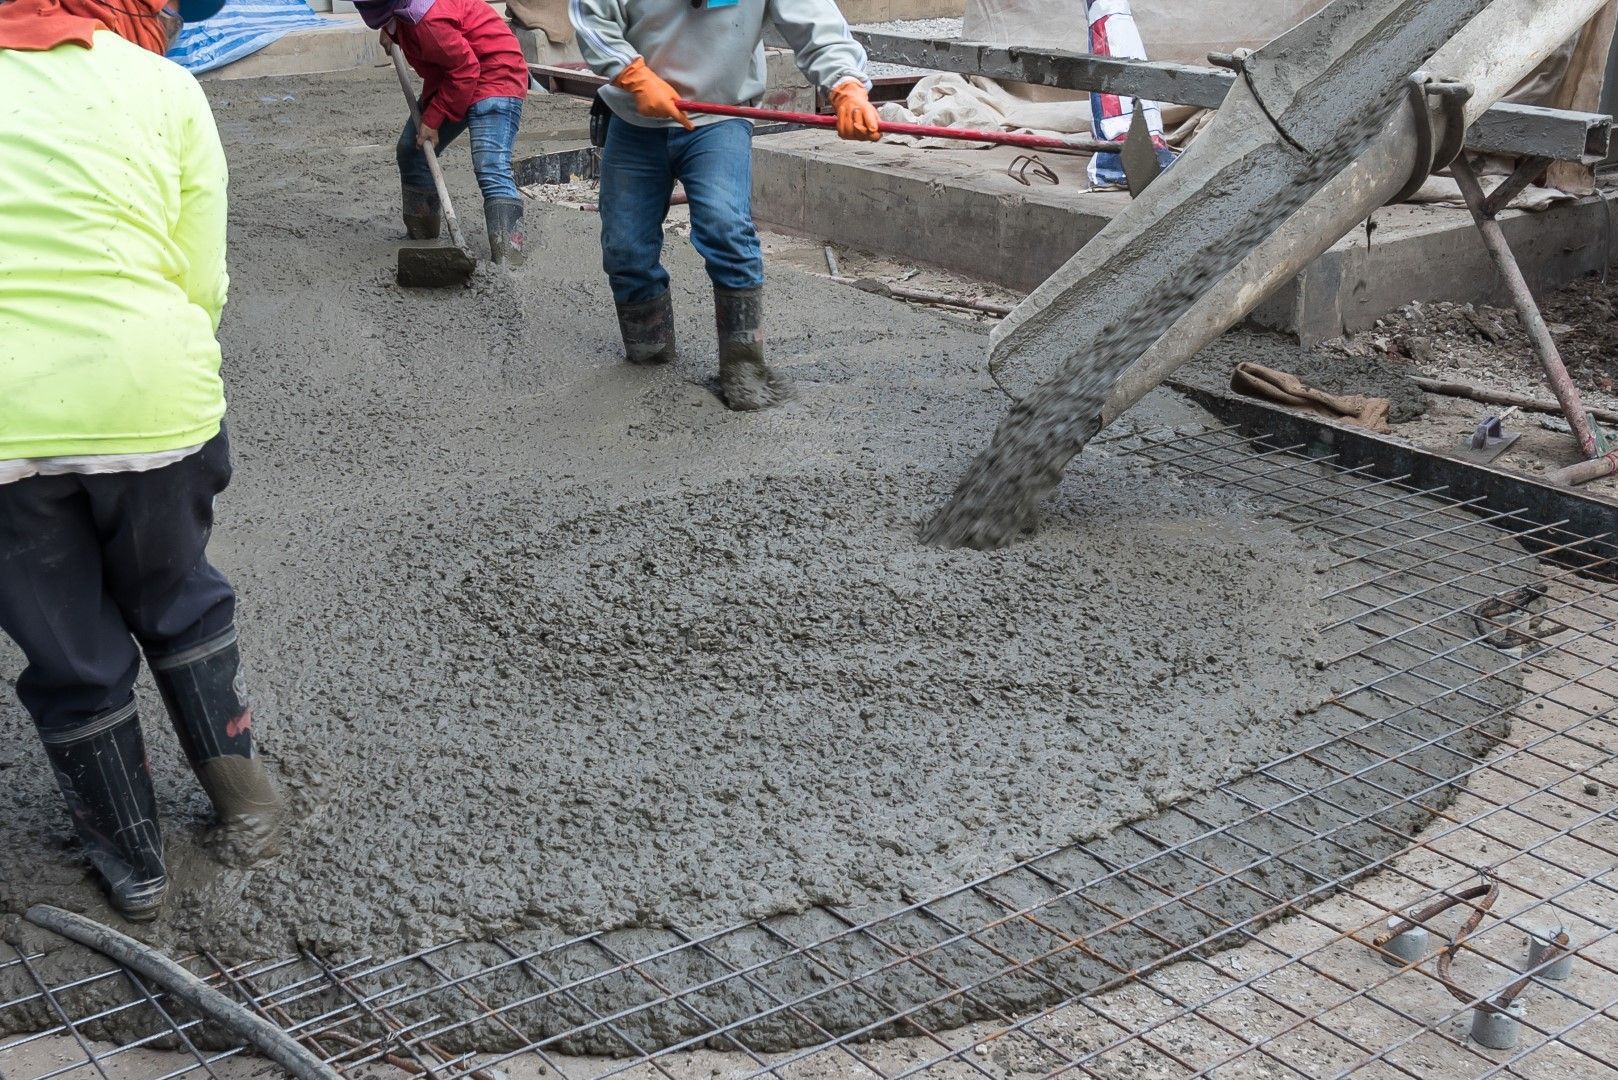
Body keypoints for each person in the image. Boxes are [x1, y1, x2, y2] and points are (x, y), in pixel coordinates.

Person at [0, 0, 283, 921]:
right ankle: (246, 802)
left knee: (68, 643)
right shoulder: (163, 85)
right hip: (150, 395)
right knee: (176, 592)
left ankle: (134, 863)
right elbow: (201, 279)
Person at [570, 0, 882, 411]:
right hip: (635, 117)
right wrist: (632, 74)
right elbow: (592, 17)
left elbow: (816, 23)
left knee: (725, 228)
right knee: (625, 246)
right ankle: (649, 354)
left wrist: (846, 84)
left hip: (720, 117)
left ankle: (744, 366)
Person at [356, 0, 531, 266]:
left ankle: (509, 259)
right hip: (452, 75)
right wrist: (392, 30)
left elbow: (466, 69)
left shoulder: (428, 23)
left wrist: (434, 119)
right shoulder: (406, 17)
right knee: (413, 151)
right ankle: (423, 240)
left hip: (495, 70)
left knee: (490, 165)